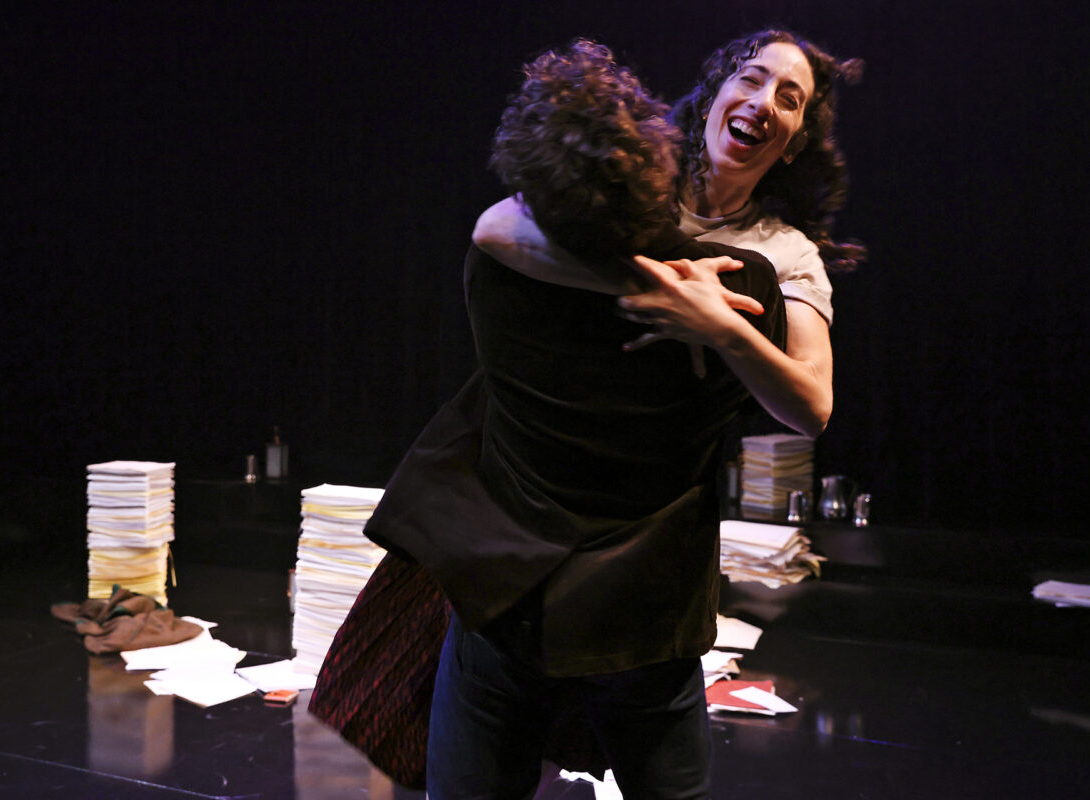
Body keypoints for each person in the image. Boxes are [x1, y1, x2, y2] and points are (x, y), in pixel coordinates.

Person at [313, 38, 788, 798]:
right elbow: (787, 403)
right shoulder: (743, 287)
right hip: (647, 617)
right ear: (660, 157)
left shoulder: (498, 270)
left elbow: (499, 219)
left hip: (511, 599)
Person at [473, 29, 864, 438]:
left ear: (794, 144)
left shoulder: (788, 252)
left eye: (788, 100)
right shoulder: (634, 176)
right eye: (750, 78)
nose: (763, 102)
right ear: (714, 96)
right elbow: (494, 230)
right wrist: (662, 289)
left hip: (658, 466)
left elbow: (814, 409)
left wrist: (721, 327)